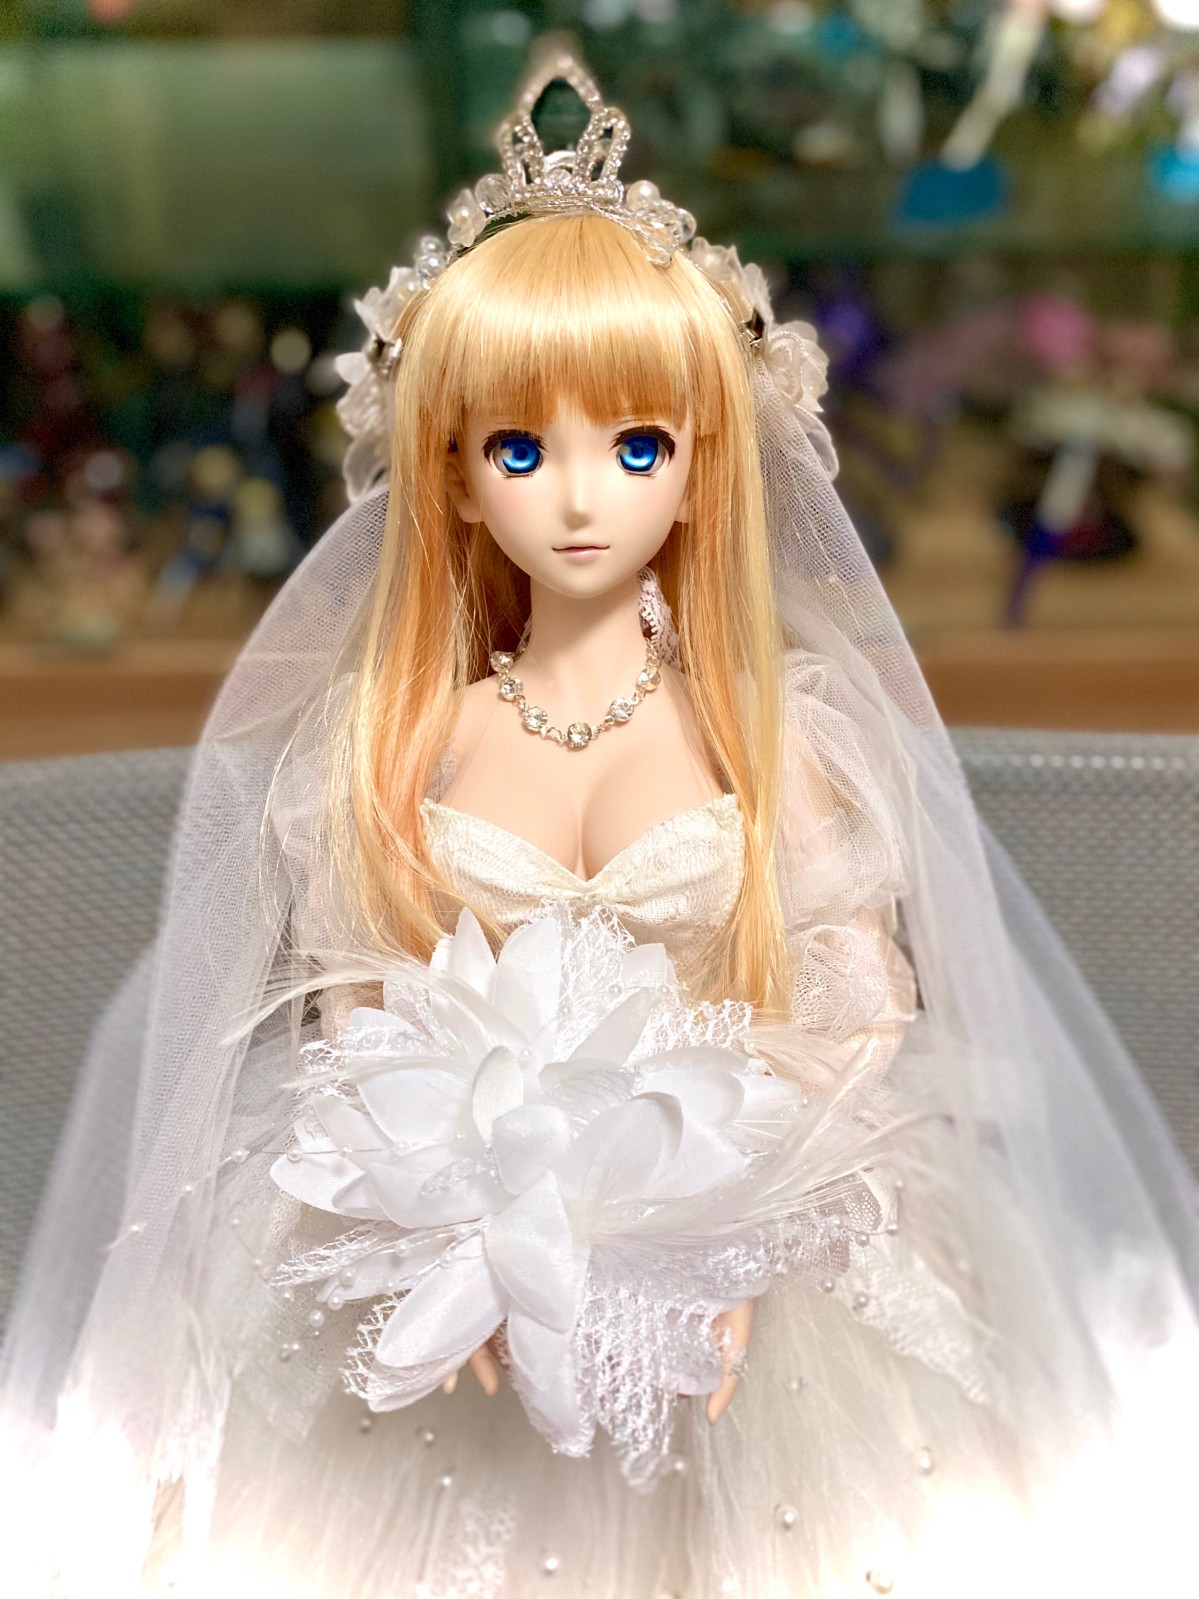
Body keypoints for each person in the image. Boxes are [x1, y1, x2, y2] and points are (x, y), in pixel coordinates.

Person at [3, 45, 1197, 1599]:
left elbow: (845, 1002)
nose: (579, 500)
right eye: (520, 449)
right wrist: (454, 1233)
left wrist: (738, 1234)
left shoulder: (773, 738)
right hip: (457, 1261)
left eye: (637, 447)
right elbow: (364, 1012)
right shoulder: (396, 748)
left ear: (702, 470)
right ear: (452, 475)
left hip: (757, 1247)